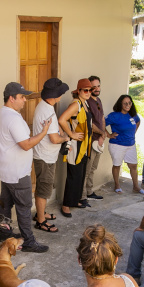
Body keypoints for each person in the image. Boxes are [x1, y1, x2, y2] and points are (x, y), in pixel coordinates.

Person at [0, 82, 50, 253]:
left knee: (5, 204)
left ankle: (4, 233)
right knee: (24, 208)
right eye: (22, 97)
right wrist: (44, 132)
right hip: (17, 173)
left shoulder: (2, 114)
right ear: (11, 98)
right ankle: (28, 242)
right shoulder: (12, 118)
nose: (25, 100)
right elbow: (26, 145)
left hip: (5, 170)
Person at [31, 77, 70, 233]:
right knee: (43, 190)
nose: (62, 95)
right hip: (45, 157)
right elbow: (54, 139)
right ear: (55, 95)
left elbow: (53, 132)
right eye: (61, 93)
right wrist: (66, 138)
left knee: (44, 187)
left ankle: (41, 213)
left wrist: (59, 132)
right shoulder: (46, 110)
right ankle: (40, 221)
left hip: (46, 155)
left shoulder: (45, 106)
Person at [57, 78, 95, 218]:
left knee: (80, 174)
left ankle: (75, 200)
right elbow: (62, 120)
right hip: (76, 146)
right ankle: (66, 204)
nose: (88, 92)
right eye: (85, 90)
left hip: (85, 145)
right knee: (74, 176)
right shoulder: (76, 104)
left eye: (90, 90)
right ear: (78, 91)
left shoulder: (85, 104)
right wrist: (71, 134)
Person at [105, 94, 143, 195]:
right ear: (120, 104)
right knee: (117, 165)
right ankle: (117, 185)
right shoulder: (114, 115)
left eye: (129, 103)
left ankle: (136, 186)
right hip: (117, 145)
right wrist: (108, 135)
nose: (128, 105)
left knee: (133, 166)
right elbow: (102, 124)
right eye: (125, 103)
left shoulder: (133, 115)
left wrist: (132, 133)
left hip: (131, 145)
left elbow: (138, 122)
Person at [81, 75, 106, 204]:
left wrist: (104, 133)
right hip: (91, 141)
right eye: (93, 87)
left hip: (99, 141)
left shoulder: (98, 100)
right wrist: (101, 133)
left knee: (93, 169)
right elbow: (89, 123)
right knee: (86, 169)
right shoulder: (87, 102)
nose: (96, 89)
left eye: (98, 86)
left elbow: (101, 118)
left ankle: (89, 192)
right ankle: (83, 196)